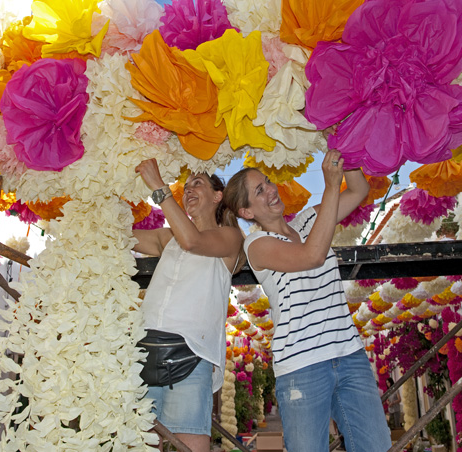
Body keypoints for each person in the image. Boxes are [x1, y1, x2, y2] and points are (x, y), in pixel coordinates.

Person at [223, 150, 392, 451]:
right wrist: (329, 187)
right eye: (259, 191)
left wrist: (340, 142)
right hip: (302, 365)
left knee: (376, 446)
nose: (271, 190)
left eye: (268, 182)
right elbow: (312, 256)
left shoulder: (308, 220)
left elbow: (359, 190)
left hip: (349, 354)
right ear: (247, 212)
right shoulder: (256, 244)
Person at [133, 158, 244, 452]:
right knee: (138, 444)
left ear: (218, 196)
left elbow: (192, 241)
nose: (188, 190)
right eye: (185, 186)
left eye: (198, 183)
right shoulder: (167, 237)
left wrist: (159, 187)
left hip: (191, 355)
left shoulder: (231, 238)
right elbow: (121, 236)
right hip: (145, 350)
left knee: (190, 447)